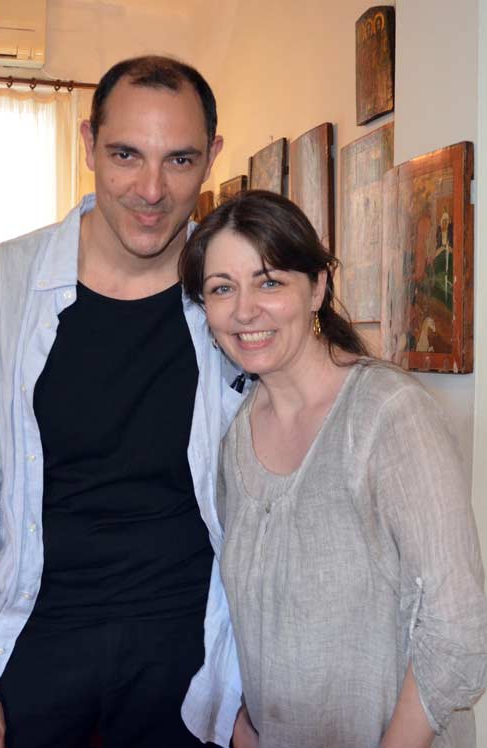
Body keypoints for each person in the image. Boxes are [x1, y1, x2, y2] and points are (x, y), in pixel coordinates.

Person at [0, 56, 248, 748]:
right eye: (126, 155)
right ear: (89, 143)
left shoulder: (239, 298)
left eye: (179, 159)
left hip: (188, 646)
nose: (151, 190)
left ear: (212, 156)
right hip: (37, 634)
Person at [179, 189, 487, 748]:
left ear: (318, 287)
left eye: (269, 282)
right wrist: (241, 720)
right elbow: (249, 614)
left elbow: (458, 630)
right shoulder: (233, 437)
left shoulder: (388, 415)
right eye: (222, 288)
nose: (244, 310)